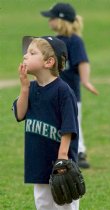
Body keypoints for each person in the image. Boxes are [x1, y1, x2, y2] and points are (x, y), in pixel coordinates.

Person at [12, 36, 79, 210]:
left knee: (64, 203)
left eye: (32, 53)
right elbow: (20, 114)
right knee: (43, 204)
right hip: (38, 161)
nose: (25, 56)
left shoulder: (63, 91)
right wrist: (24, 88)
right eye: (26, 52)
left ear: (49, 62)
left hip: (60, 163)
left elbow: (69, 127)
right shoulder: (31, 88)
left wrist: (62, 157)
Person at [41, 3, 99, 169]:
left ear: (61, 20)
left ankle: (79, 152)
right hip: (53, 91)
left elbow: (82, 62)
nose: (49, 21)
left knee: (73, 123)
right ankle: (54, 151)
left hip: (71, 93)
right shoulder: (51, 41)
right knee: (53, 122)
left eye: (51, 18)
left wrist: (85, 80)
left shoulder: (75, 41)